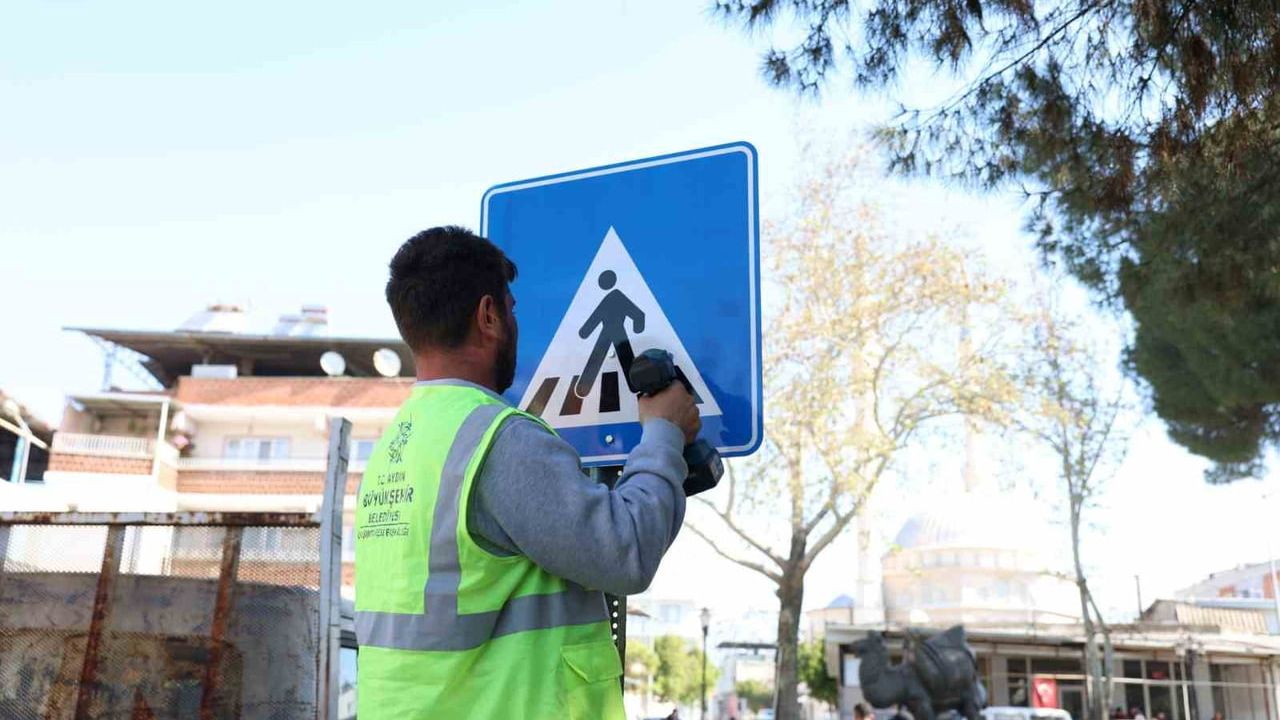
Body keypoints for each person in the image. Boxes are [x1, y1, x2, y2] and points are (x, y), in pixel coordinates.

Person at [354, 227, 700, 720]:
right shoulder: (499, 439)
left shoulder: (398, 444)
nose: (516, 321)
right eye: (512, 309)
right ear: (489, 316)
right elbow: (627, 553)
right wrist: (663, 434)